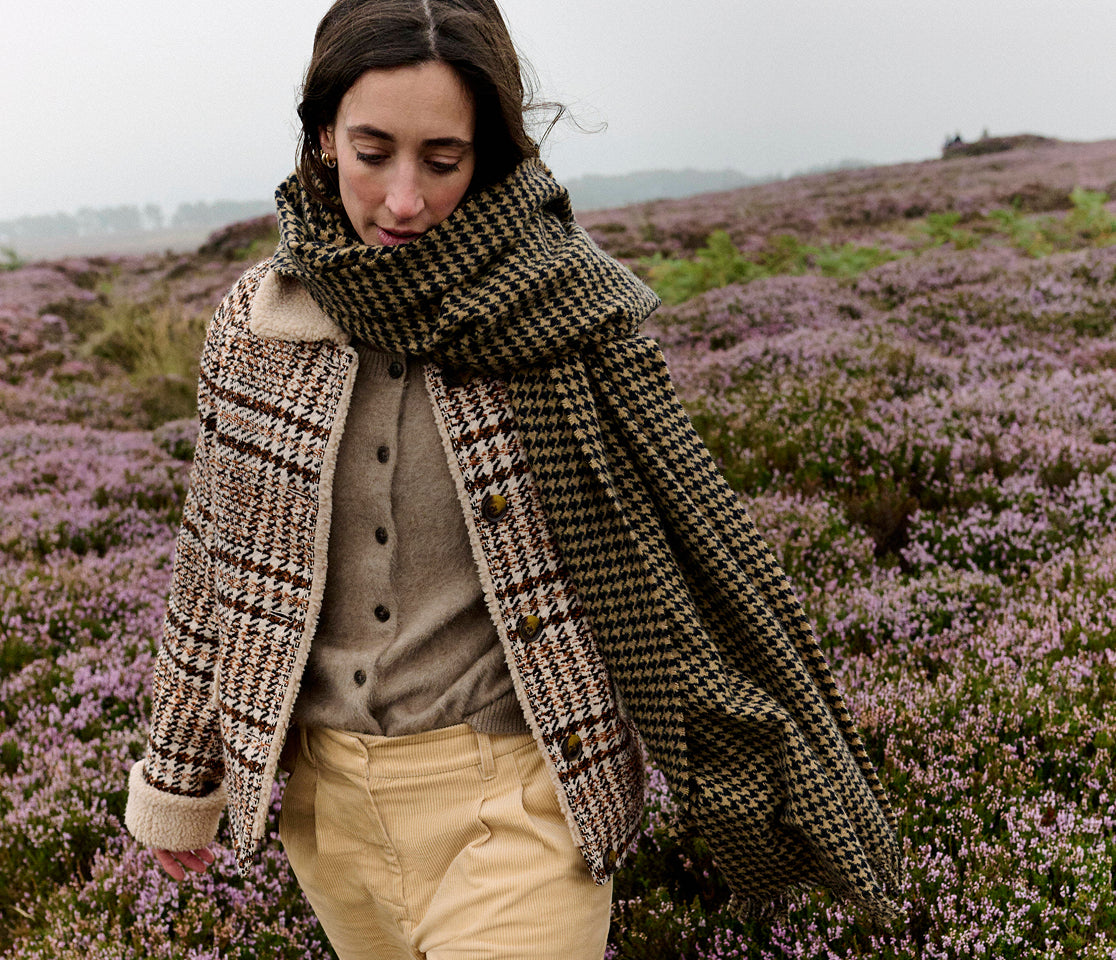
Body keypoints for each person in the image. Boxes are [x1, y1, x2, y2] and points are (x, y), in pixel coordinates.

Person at [125, 1, 901, 957]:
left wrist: (772, 761)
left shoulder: (563, 311)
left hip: (523, 802)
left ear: (487, 151)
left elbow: (677, 552)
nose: (404, 199)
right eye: (373, 153)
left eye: (441, 161)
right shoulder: (256, 320)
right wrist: (178, 783)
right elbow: (216, 565)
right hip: (331, 816)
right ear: (323, 137)